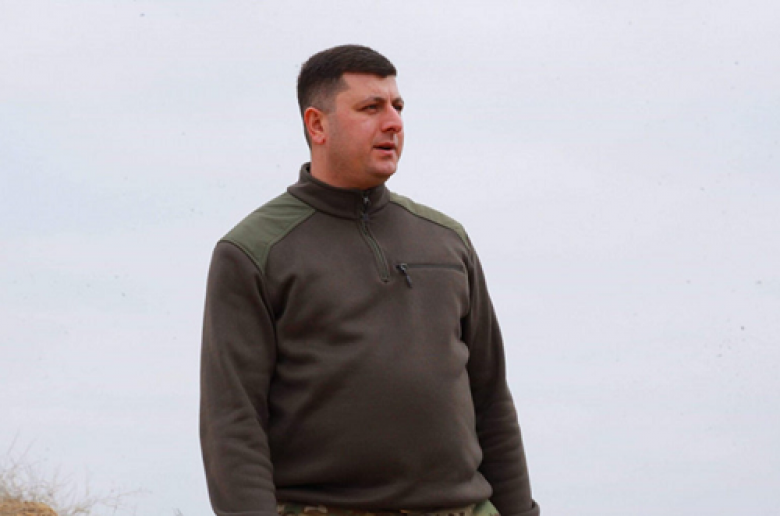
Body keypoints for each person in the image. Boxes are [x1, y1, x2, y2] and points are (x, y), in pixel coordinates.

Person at [200, 44, 540, 516]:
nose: (393, 122)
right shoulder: (253, 251)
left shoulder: (446, 240)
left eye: (397, 106)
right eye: (370, 108)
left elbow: (492, 397)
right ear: (317, 125)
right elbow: (233, 422)